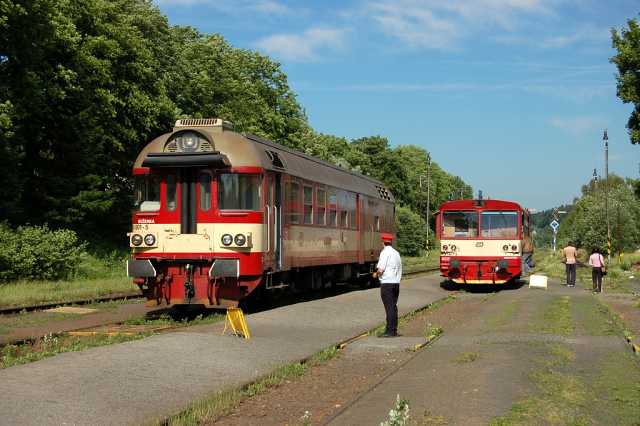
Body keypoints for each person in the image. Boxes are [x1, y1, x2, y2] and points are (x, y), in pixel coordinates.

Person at [373, 232, 402, 337]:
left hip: (387, 284)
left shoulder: (384, 253)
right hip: (396, 283)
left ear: (383, 242)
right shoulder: (396, 253)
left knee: (389, 307)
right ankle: (393, 330)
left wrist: (376, 274)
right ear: (391, 242)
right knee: (393, 307)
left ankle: (389, 332)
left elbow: (381, 269)